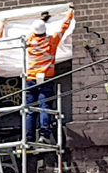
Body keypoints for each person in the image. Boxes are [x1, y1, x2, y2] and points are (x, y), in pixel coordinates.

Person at [22, 9, 74, 142]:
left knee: (30, 109)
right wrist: (70, 12)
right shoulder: (52, 41)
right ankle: (44, 134)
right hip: (45, 79)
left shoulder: (29, 42)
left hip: (31, 79)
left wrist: (42, 20)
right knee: (44, 107)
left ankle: (28, 137)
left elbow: (32, 33)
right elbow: (64, 27)